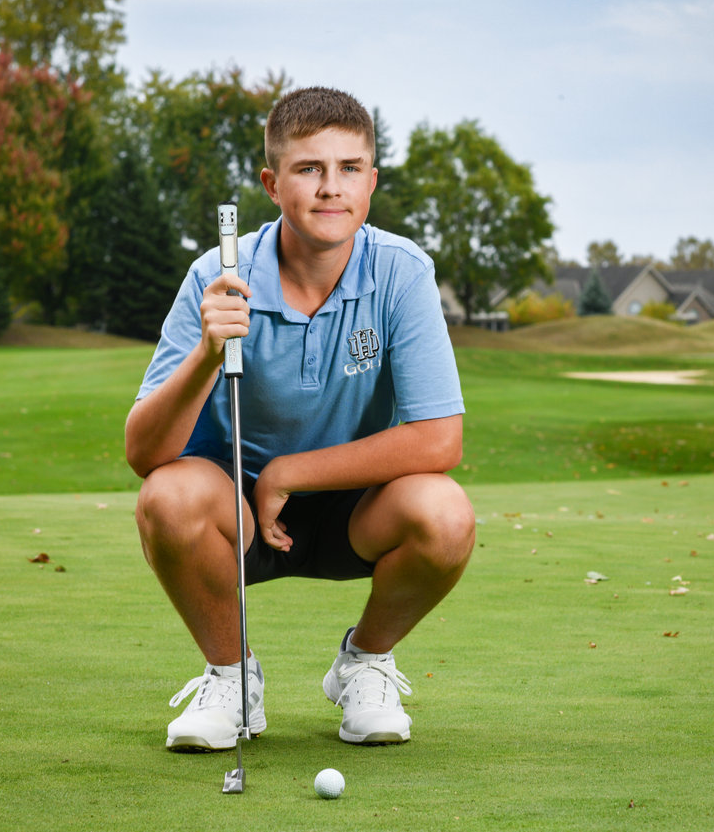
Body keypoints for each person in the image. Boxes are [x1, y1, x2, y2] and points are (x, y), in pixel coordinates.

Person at [124, 86, 474, 751]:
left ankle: (365, 663)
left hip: (355, 513)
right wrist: (206, 351)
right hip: (240, 520)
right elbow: (144, 451)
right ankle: (231, 678)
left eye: (349, 169)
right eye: (310, 169)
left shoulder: (402, 271)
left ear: (371, 182)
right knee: (166, 497)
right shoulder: (216, 274)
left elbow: (440, 437)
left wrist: (291, 470)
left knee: (446, 512)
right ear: (272, 182)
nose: (330, 188)